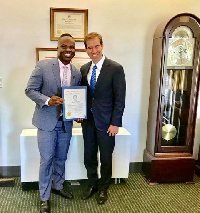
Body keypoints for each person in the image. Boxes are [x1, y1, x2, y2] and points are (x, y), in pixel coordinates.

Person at [25, 33, 81, 213]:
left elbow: (77, 98)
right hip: (46, 122)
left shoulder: (76, 72)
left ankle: (58, 186)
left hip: (66, 123)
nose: (68, 50)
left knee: (61, 158)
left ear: (74, 50)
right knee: (47, 159)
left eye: (71, 47)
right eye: (64, 46)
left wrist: (79, 112)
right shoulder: (43, 66)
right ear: (57, 48)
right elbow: (30, 90)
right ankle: (44, 196)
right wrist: (48, 100)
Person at [79, 32, 126, 205]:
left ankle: (104, 187)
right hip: (88, 122)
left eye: (96, 46)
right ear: (86, 49)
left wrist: (115, 123)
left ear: (102, 45)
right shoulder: (84, 69)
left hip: (107, 123)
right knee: (89, 156)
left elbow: (120, 99)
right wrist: (78, 114)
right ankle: (92, 184)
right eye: (89, 47)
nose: (93, 50)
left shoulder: (115, 68)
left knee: (106, 157)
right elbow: (83, 97)